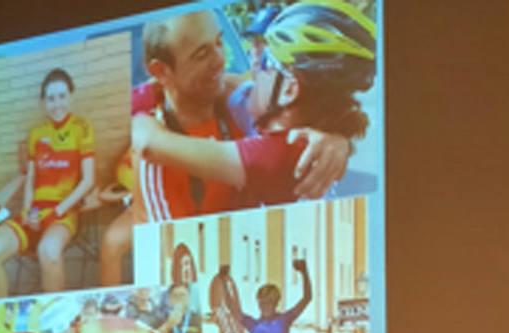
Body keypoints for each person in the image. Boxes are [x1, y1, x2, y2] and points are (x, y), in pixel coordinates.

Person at [131, 0, 376, 210]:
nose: (252, 60)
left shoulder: (285, 154)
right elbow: (225, 85)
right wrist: (163, 81)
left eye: (265, 61)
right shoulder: (267, 112)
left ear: (289, 90)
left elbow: (149, 143)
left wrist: (141, 116)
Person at [0, 69, 96, 297]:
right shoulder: (36, 134)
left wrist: (59, 210)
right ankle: (5, 321)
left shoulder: (81, 128)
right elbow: (31, 179)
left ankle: (53, 321)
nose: (57, 104)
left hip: (63, 212)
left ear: (70, 96)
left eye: (62, 96)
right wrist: (27, 211)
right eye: (51, 98)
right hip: (34, 212)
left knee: (48, 252)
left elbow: (89, 179)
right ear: (44, 102)